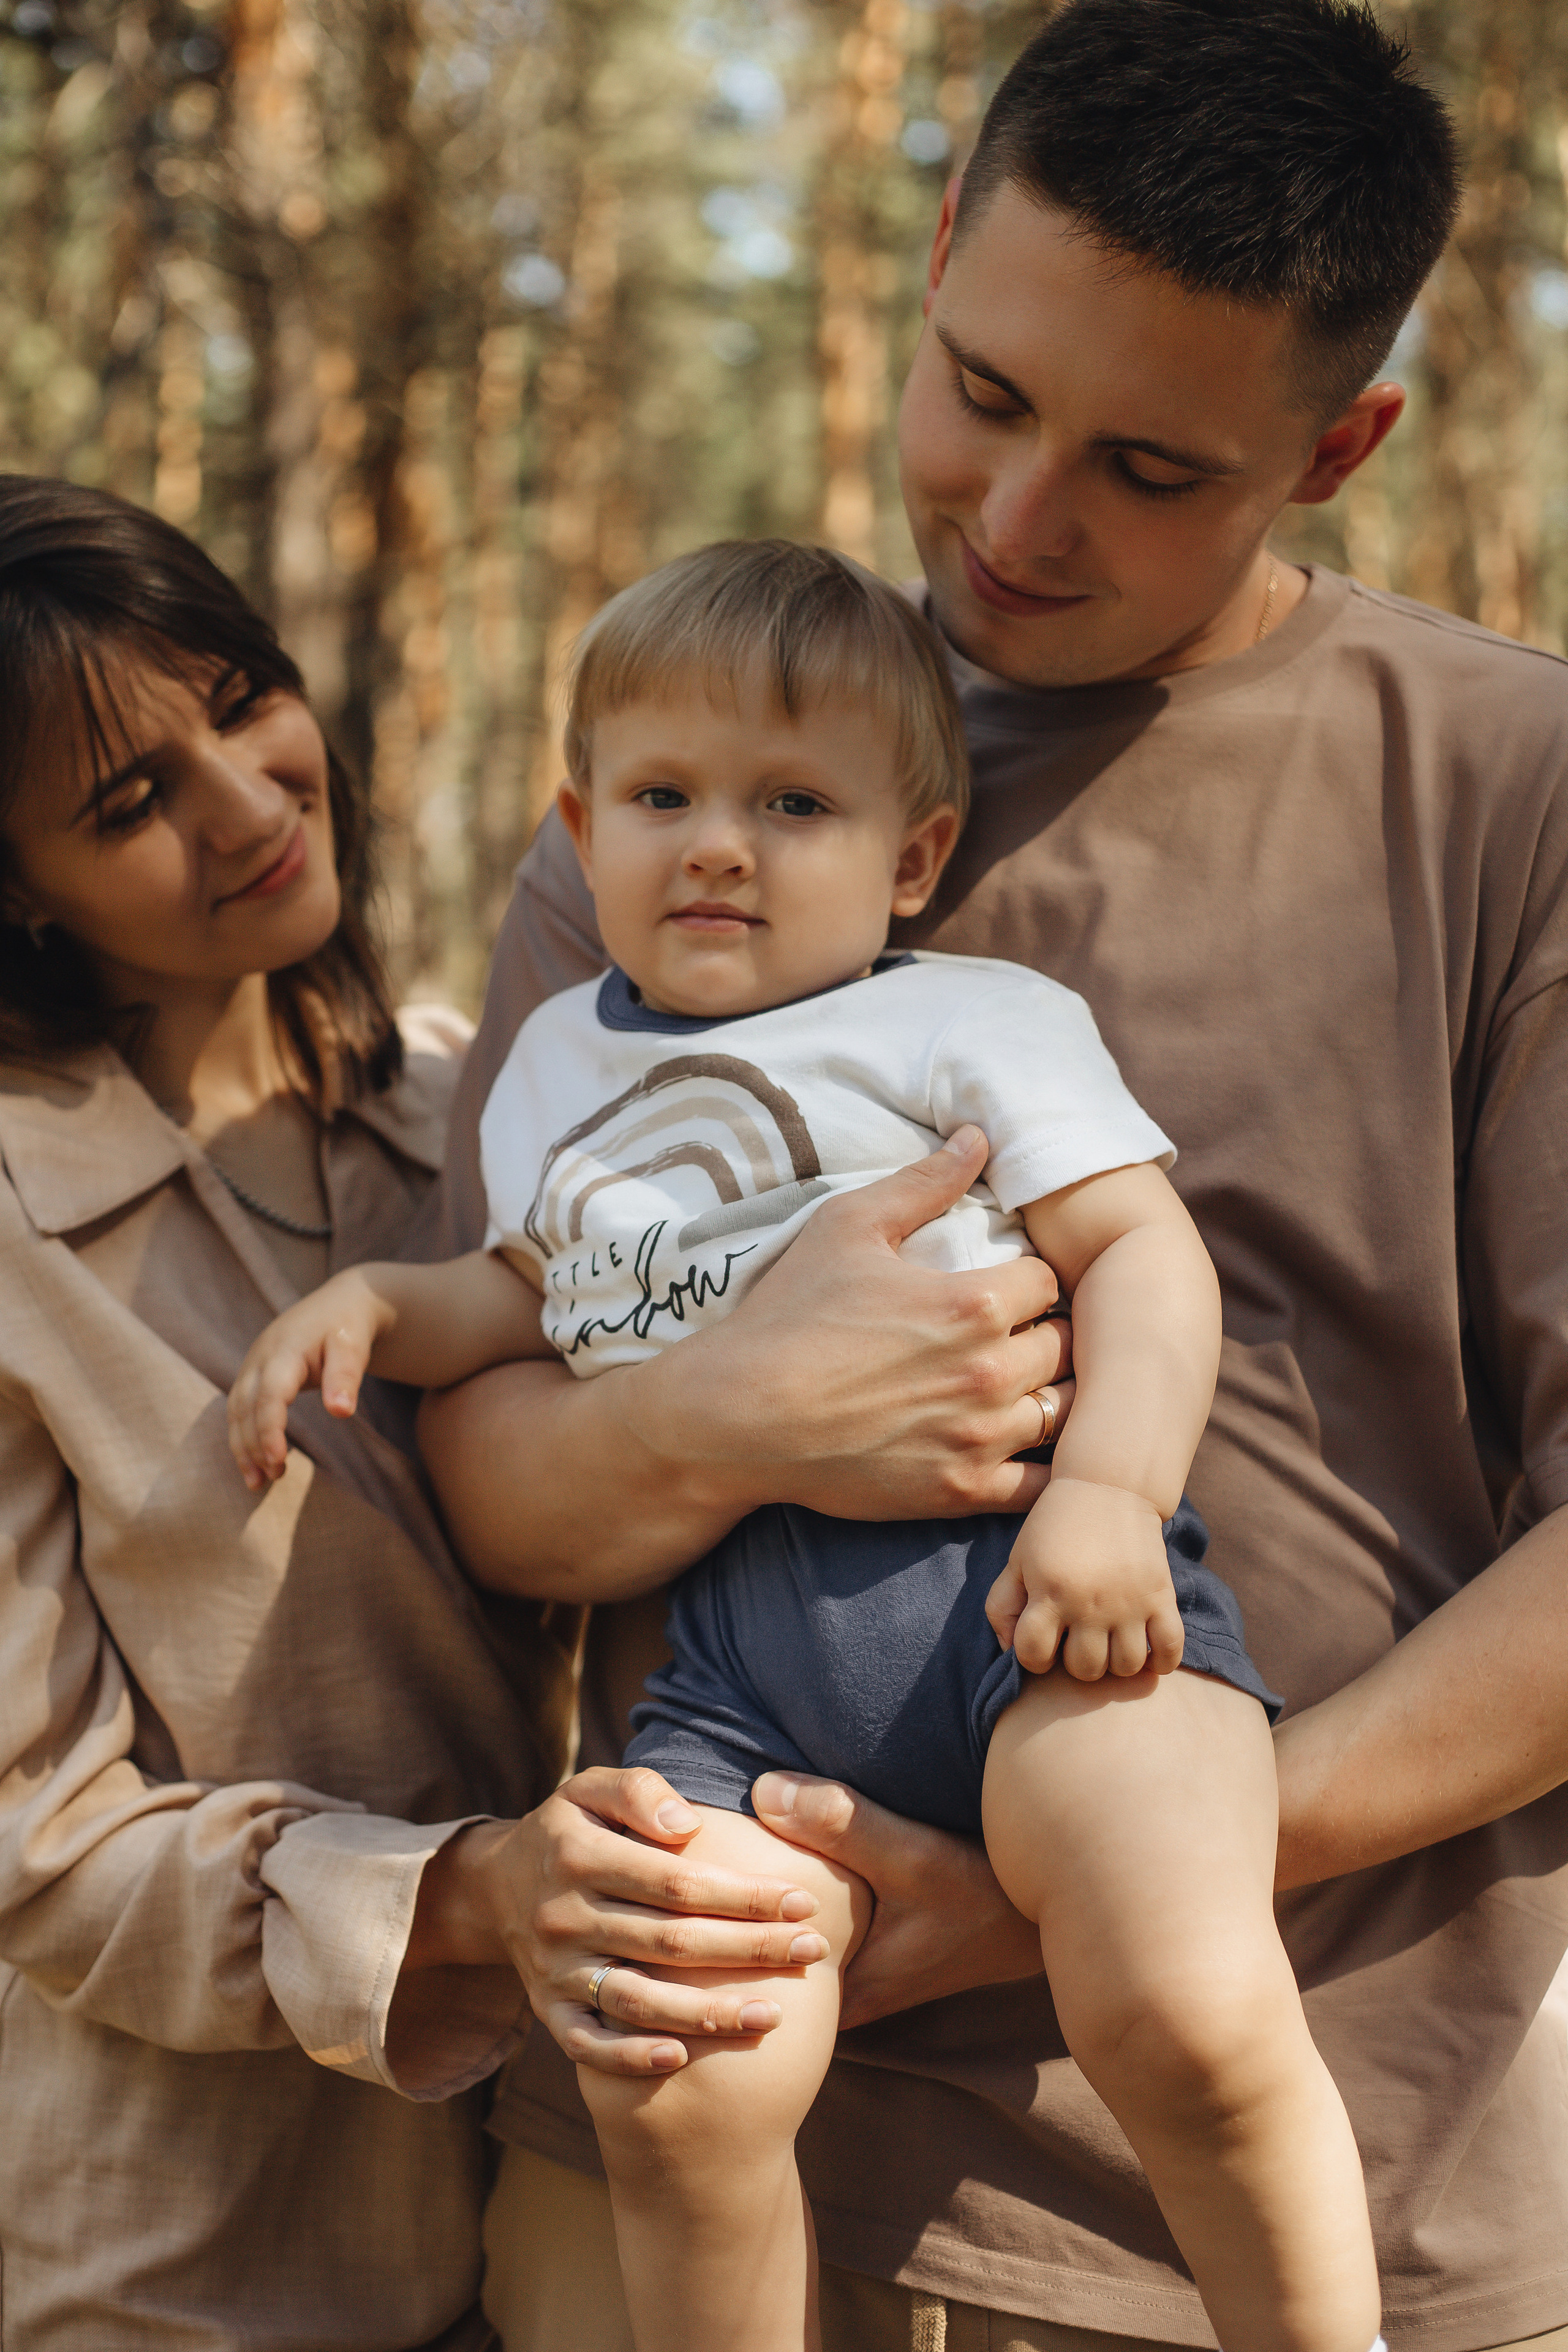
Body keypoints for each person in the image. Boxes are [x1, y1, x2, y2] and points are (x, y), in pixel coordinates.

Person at [412, 4, 1568, 2350]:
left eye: (1151, 464)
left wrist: (1097, 1869)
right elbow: (503, 1486)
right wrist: (738, 1410)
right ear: (939, 249)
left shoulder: (1507, 787)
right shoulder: (703, 789)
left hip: (1295, 2194)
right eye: (987, 392)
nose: (1019, 523)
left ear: (1340, 448)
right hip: (708, 2165)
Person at [230, 538, 1379, 2352]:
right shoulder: (550, 1075)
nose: (719, 844)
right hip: (743, 1688)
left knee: (1182, 2000)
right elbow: (526, 1298)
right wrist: (381, 1300)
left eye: (795, 803)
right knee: (676, 2074)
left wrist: (1110, 1493)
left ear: (911, 856)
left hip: (1038, 1611)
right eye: (665, 793)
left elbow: (1146, 1258)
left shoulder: (965, 1021)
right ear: (580, 819)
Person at [0, 473, 598, 2350]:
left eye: (242, 701)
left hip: (561, 2202)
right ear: (17, 884)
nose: (251, 804)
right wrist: (472, 1898)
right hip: (188, 2270)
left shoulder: (470, 1105)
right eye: (132, 802)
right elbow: (39, 1842)